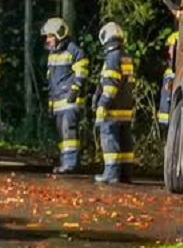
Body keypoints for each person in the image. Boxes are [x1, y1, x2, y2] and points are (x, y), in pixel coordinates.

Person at [41, 17, 91, 175]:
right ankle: (66, 162)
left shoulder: (74, 51)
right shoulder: (52, 54)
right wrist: (51, 101)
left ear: (59, 35)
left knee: (69, 132)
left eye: (50, 36)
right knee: (63, 134)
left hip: (69, 100)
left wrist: (75, 90)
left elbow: (82, 72)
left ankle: (70, 164)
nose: (48, 40)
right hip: (58, 101)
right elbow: (52, 80)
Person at [94, 21, 135, 184]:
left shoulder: (112, 57)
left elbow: (111, 84)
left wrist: (103, 104)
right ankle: (126, 173)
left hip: (113, 108)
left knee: (109, 138)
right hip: (126, 106)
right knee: (125, 141)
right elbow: (130, 83)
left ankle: (111, 174)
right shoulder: (126, 56)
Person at [158, 29, 180, 130]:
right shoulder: (170, 68)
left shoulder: (177, 68)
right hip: (166, 121)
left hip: (171, 121)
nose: (169, 51)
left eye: (170, 47)